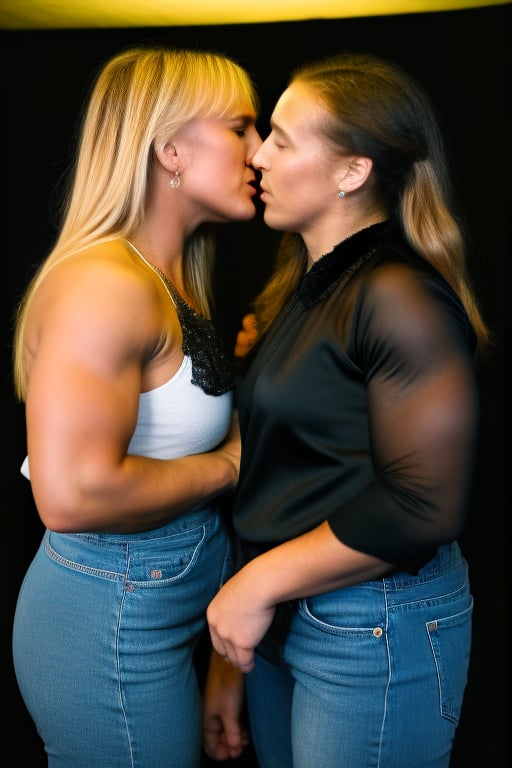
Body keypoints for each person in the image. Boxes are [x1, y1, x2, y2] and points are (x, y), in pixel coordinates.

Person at [202, 51, 491, 768]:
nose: (258, 157)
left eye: (282, 138)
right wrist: (234, 654)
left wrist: (250, 588)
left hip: (375, 624)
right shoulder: (302, 287)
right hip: (290, 621)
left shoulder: (397, 296)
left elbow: (423, 506)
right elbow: (284, 477)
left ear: (351, 172)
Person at [11, 44, 261, 768]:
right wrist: (230, 465)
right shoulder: (106, 283)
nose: (261, 150)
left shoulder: (173, 273)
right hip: (108, 617)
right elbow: (72, 494)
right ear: (170, 149)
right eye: (241, 127)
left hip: (168, 596)